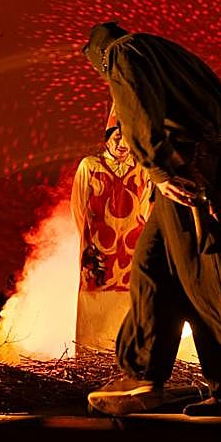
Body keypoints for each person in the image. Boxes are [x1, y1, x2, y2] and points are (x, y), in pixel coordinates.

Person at [81, 22, 221, 416]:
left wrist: (159, 168)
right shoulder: (164, 51)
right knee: (153, 267)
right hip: (203, 168)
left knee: (208, 279)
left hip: (192, 174)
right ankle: (143, 373)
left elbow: (137, 109)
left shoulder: (122, 53)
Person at [70, 106, 153, 350]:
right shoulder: (90, 166)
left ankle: (129, 355)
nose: (122, 143)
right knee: (96, 303)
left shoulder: (142, 169)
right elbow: (78, 207)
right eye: (117, 137)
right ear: (108, 138)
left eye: (127, 137)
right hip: (98, 251)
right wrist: (89, 241)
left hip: (131, 251)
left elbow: (146, 210)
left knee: (130, 302)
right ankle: (92, 354)